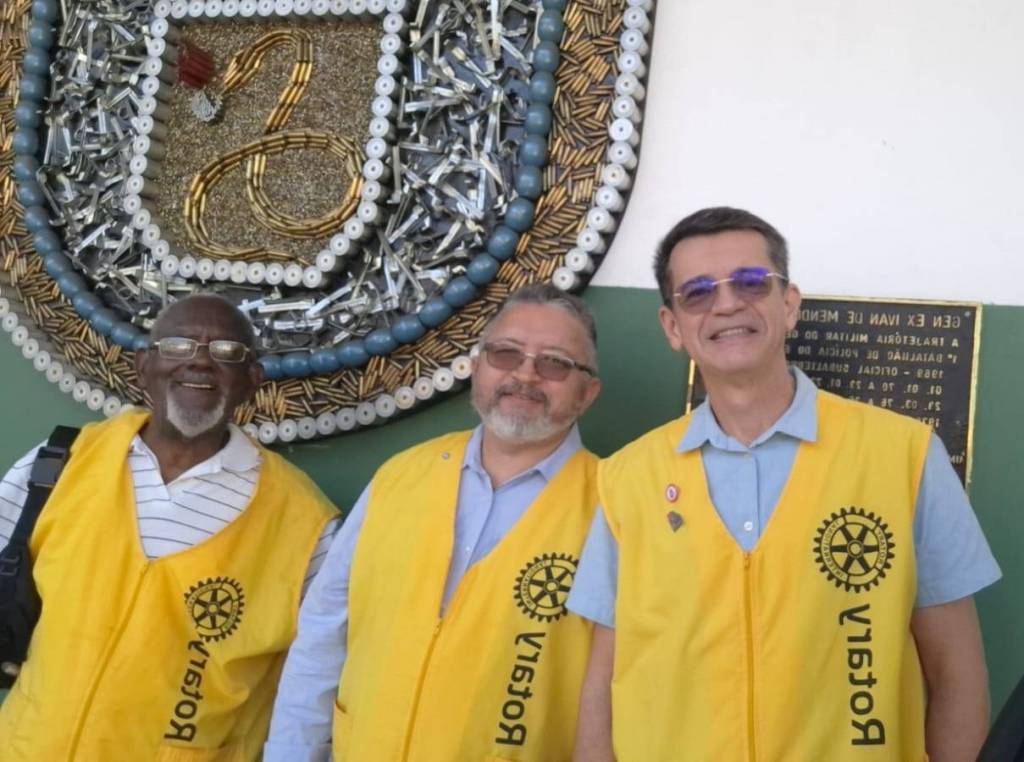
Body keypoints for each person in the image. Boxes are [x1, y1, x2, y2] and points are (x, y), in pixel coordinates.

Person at [569, 207, 1001, 762]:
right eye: (697, 293)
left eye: (751, 282)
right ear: (672, 327)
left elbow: (957, 676)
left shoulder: (905, 455)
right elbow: (602, 683)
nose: (727, 304)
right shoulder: (627, 478)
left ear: (789, 304)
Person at [264, 283, 603, 762]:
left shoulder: (613, 505)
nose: (525, 374)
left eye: (555, 363)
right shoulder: (400, 476)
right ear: (476, 366)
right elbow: (323, 634)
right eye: (505, 353)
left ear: (587, 394)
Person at [0, 294, 339, 760]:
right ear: (143, 367)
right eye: (178, 345)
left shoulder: (306, 523)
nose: (199, 361)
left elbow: (314, 681)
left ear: (251, 381)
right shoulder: (62, 463)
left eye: (226, 351)